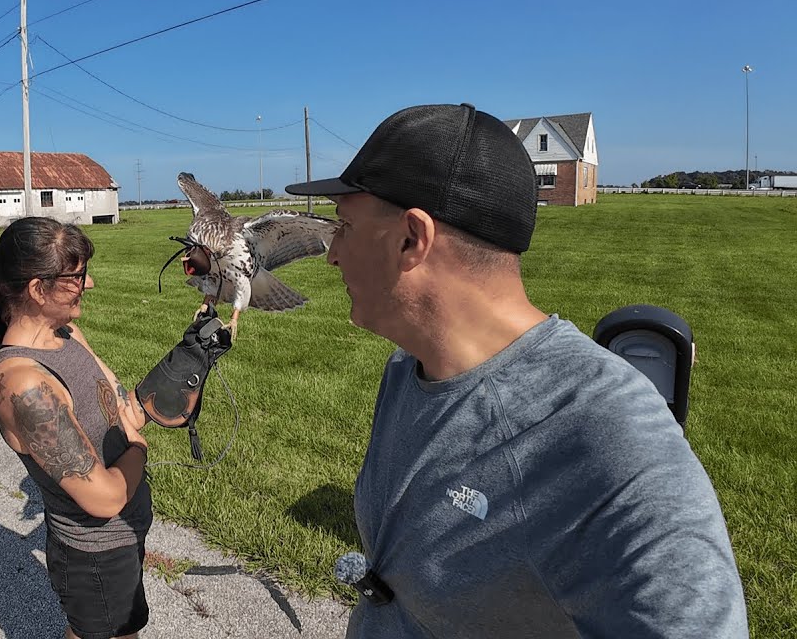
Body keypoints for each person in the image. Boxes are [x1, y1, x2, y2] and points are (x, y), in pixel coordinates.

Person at [285, 103, 748, 638]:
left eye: (345, 226)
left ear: (412, 238)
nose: (332, 255)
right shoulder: (409, 368)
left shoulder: (604, 429)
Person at [0, 216, 153, 639]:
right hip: (96, 556)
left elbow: (121, 405)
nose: (88, 284)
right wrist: (139, 449)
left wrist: (184, 365)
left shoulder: (67, 334)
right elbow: (104, 498)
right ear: (38, 289)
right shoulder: (24, 384)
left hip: (124, 536)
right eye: (77, 277)